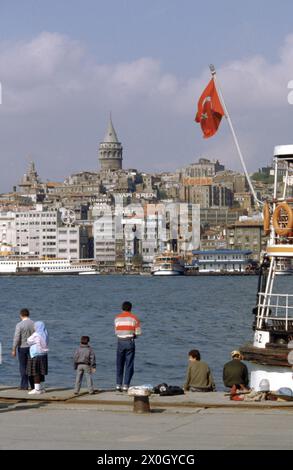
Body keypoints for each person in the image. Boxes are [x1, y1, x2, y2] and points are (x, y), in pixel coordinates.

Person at [114, 301, 141, 392]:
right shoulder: (134, 318)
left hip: (120, 342)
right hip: (129, 342)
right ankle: (126, 385)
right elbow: (138, 332)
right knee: (129, 364)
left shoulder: (117, 318)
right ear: (131, 308)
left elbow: (116, 332)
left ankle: (118, 384)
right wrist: (134, 335)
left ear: (122, 308)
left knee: (119, 363)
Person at [11, 308, 35, 390]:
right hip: (32, 347)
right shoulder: (34, 324)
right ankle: (33, 385)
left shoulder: (19, 325)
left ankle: (24, 385)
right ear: (28, 314)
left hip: (22, 347)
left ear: (21, 315)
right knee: (32, 366)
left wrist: (13, 348)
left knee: (23, 366)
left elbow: (17, 338)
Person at [26, 321, 49, 394]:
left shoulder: (36, 334)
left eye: (35, 326)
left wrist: (33, 342)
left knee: (36, 372)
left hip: (36, 354)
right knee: (42, 372)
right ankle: (42, 388)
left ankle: (37, 389)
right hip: (44, 354)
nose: (34, 327)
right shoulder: (46, 333)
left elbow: (28, 341)